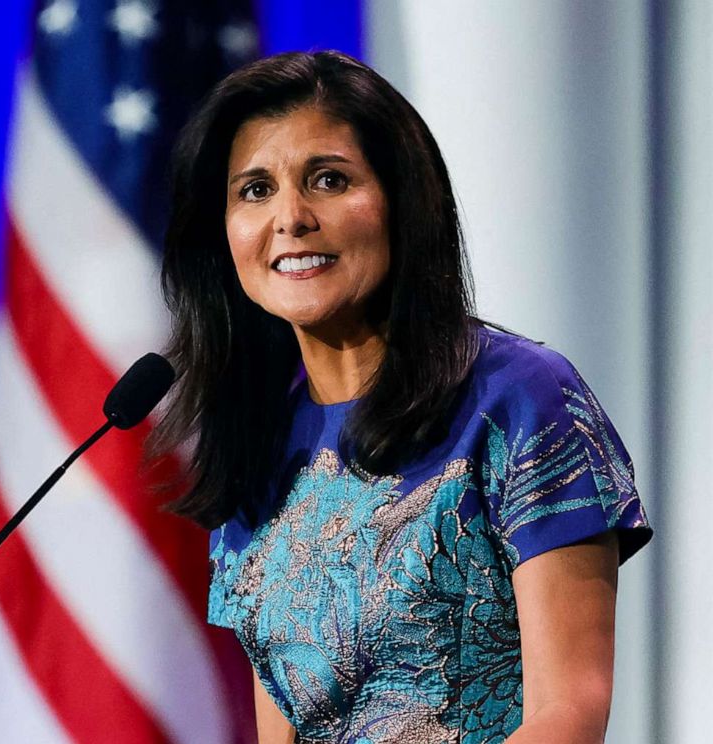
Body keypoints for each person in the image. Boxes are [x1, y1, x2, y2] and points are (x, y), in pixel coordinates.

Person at [150, 51, 652, 744]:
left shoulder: (519, 398)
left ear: (401, 200)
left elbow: (569, 712)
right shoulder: (260, 446)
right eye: (255, 190)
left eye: (328, 179)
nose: (290, 217)